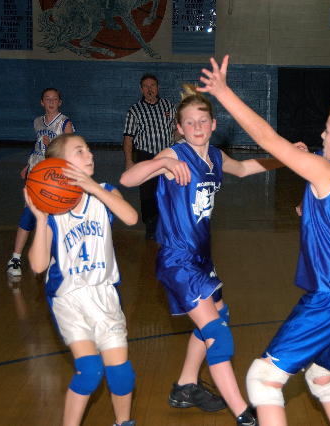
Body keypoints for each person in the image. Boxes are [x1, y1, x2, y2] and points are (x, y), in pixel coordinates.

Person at [198, 46, 330, 426]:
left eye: (327, 131)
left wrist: (223, 93)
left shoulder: (328, 172)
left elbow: (267, 138)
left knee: (263, 380)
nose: (321, 135)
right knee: (321, 376)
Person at [120, 84, 304, 425]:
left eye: (202, 121)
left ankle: (186, 385)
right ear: (179, 127)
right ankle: (244, 414)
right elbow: (128, 179)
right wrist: (162, 163)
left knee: (219, 315)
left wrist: (285, 157)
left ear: (213, 124)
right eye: (189, 122)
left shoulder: (215, 157)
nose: (197, 127)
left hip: (202, 258)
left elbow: (244, 169)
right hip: (177, 259)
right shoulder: (174, 154)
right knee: (217, 333)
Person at [26, 133, 139, 426]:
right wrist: (40, 219)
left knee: (121, 373)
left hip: (104, 293)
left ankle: (123, 423)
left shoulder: (105, 193)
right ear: (60, 165)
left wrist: (94, 188)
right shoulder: (51, 209)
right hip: (69, 297)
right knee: (90, 371)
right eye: (80, 151)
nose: (89, 155)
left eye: (89, 150)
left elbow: (131, 218)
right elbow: (37, 266)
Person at [6, 88, 75, 276]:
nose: (51, 102)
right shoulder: (37, 121)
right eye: (47, 99)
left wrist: (51, 147)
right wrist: (28, 164)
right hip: (36, 174)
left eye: (54, 99)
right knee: (28, 213)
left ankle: (58, 258)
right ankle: (15, 258)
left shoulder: (65, 123)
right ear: (42, 102)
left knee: (55, 219)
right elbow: (37, 146)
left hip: (55, 177)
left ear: (60, 102)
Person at [122, 73, 175, 239]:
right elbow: (128, 137)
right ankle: (150, 226)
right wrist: (129, 160)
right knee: (147, 192)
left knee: (167, 190)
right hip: (145, 155)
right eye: (146, 86)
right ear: (141, 89)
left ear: (158, 88)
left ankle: (166, 224)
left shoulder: (169, 106)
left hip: (167, 156)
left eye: (152, 85)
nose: (149, 89)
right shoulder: (135, 110)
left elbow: (176, 132)